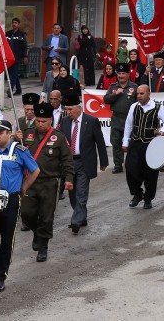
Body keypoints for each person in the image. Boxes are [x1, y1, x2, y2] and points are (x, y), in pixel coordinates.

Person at [0, 121, 40, 292]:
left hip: (10, 200)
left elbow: (35, 170)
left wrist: (23, 187)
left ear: (9, 133)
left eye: (0, 132)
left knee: (7, 239)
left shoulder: (20, 151)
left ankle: (1, 276)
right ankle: (1, 264)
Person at [20, 103, 73, 262]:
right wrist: (15, 140)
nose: (40, 124)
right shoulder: (26, 135)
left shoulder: (59, 137)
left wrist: (69, 179)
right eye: (38, 121)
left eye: (44, 121)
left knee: (46, 217)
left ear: (51, 120)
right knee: (26, 213)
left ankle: (43, 246)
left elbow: (67, 161)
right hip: (29, 182)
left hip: (49, 182)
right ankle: (37, 233)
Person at [60, 93, 108, 234]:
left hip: (84, 161)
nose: (68, 112)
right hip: (69, 163)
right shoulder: (65, 122)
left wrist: (103, 161)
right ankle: (82, 216)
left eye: (70, 109)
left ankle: (75, 222)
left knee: (81, 192)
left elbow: (100, 141)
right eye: (66, 109)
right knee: (72, 194)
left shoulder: (91, 121)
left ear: (78, 108)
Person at [122, 85, 164, 209]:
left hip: (151, 144)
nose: (139, 96)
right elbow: (128, 125)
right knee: (130, 168)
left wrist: (163, 131)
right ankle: (137, 194)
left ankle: (148, 198)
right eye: (137, 94)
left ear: (148, 94)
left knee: (151, 173)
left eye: (141, 94)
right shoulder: (134, 107)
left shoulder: (157, 107)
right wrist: (125, 142)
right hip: (136, 143)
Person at [104, 63, 139, 174]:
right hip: (116, 119)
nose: (121, 75)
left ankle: (131, 164)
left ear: (128, 75)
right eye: (119, 73)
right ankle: (118, 165)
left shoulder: (134, 87)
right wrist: (116, 94)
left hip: (130, 120)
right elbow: (106, 99)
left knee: (131, 143)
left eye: (123, 73)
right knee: (116, 143)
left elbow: (139, 104)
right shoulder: (113, 87)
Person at [5, 17, 29, 96]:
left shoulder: (22, 34)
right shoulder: (8, 33)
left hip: (17, 56)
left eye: (16, 23)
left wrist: (25, 56)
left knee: (14, 72)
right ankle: (18, 90)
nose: (14, 24)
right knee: (12, 73)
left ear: (18, 24)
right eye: (13, 23)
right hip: (9, 57)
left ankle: (10, 89)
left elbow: (25, 46)